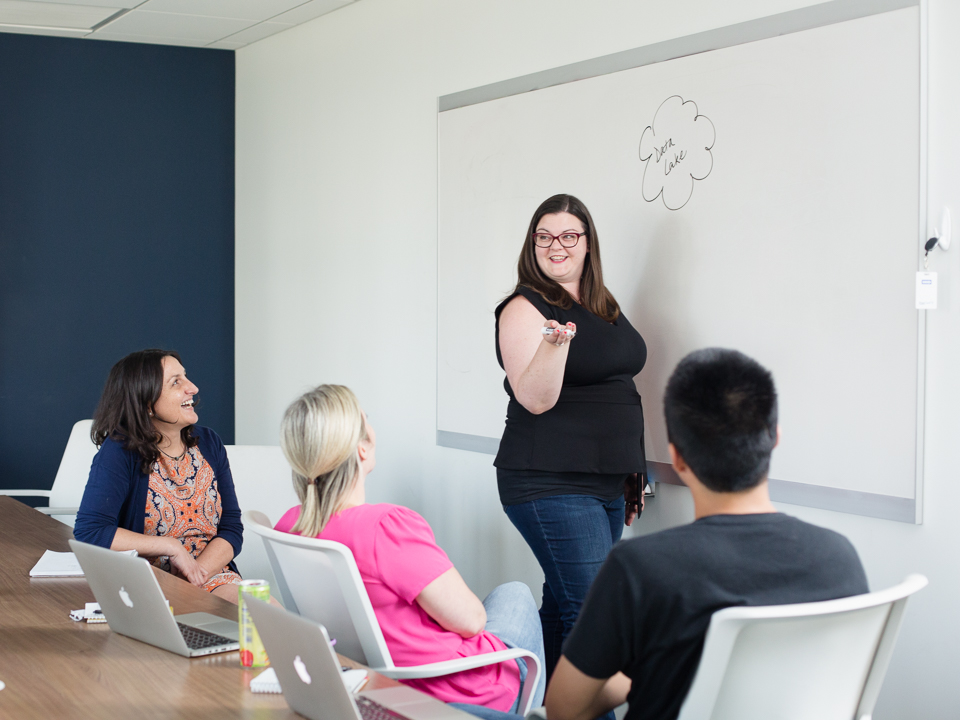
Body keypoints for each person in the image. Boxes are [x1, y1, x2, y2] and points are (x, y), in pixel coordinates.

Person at [545, 348, 869, 720]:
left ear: (678, 458)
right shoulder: (839, 556)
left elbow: (563, 710)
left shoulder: (640, 568)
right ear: (774, 437)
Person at [273, 385, 545, 714]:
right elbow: (472, 621)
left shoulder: (290, 524)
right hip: (454, 691)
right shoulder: (387, 526)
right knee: (516, 593)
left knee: (508, 595)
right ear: (361, 448)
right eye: (366, 421)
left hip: (373, 680)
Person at [494, 193, 647, 678]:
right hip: (548, 480)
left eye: (568, 235)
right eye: (544, 236)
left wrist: (631, 468)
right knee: (595, 618)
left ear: (587, 244)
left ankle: (543, 706)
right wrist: (554, 346)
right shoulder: (524, 308)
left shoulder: (603, 306)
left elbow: (619, 387)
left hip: (603, 481)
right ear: (532, 244)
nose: (555, 245)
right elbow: (536, 399)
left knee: (566, 610)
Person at [74, 349, 243, 603]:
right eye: (176, 382)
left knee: (271, 622)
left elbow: (231, 528)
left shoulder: (209, 443)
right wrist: (170, 545)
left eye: (186, 377)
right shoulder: (120, 451)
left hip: (210, 576)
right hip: (146, 587)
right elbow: (91, 531)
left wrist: (195, 575)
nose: (193, 388)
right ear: (146, 403)